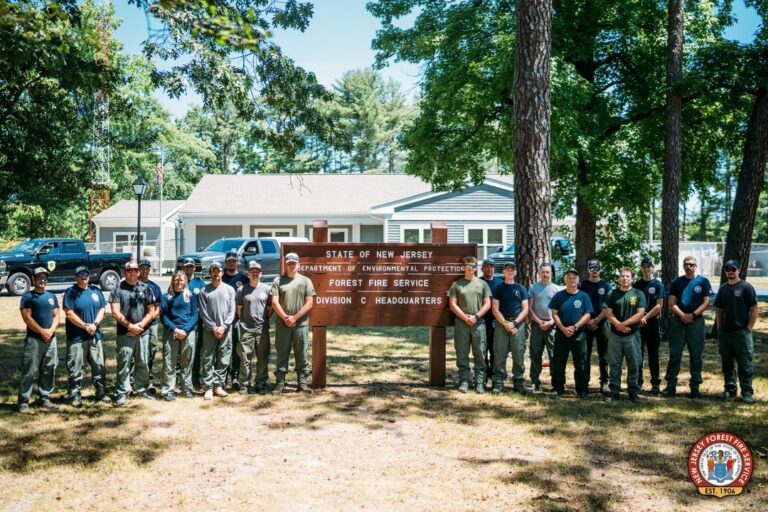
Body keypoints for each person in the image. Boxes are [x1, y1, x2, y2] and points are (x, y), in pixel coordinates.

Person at [662, 255, 712, 399]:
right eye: (686, 264)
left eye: (691, 264)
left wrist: (693, 315)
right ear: (683, 266)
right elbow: (671, 303)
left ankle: (695, 387)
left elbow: (706, 302)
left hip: (696, 322)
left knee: (696, 355)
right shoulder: (677, 282)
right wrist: (683, 315)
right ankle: (670, 386)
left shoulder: (703, 282)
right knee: (675, 354)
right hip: (679, 321)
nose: (688, 267)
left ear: (696, 266)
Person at [109, 260, 157, 406]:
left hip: (143, 332)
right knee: (124, 362)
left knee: (143, 361)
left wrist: (140, 326)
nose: (132, 273)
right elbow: (115, 313)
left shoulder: (145, 288)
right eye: (129, 271)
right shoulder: (117, 289)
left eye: (135, 271)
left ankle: (142, 389)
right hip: (125, 333)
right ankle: (122, 392)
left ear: (138, 272)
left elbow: (152, 311)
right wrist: (130, 326)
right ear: (125, 272)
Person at [62, 265, 110, 407]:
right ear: (75, 277)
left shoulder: (96, 290)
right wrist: (85, 326)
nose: (84, 277)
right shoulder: (70, 292)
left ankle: (101, 391)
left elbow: (102, 308)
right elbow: (69, 313)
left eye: (86, 274)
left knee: (99, 365)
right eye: (80, 275)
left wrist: (94, 324)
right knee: (75, 367)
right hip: (77, 337)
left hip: (94, 335)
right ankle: (74, 394)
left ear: (89, 276)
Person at [271, 252, 316, 394]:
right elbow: (274, 302)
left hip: (300, 324)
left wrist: (295, 318)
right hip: (282, 324)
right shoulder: (278, 280)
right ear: (285, 265)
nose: (291, 266)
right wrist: (286, 318)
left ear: (298, 265)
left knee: (301, 352)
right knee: (282, 353)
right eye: (289, 263)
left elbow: (309, 303)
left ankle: (302, 382)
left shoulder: (306, 281)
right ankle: (280, 382)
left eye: (294, 263)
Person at [714, 260, 758, 404]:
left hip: (742, 333)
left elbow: (754, 310)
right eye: (727, 269)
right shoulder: (723, 289)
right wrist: (719, 327)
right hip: (725, 333)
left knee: (745, 363)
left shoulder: (746, 287)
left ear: (739, 270)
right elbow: (719, 310)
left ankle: (747, 392)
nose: (730, 272)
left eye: (733, 269)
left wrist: (748, 328)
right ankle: (730, 389)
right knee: (727, 363)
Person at [17, 267, 60, 413]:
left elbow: (57, 315)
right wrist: (42, 331)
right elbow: (27, 318)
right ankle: (24, 402)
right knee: (29, 370)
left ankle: (45, 398)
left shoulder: (51, 296)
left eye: (44, 278)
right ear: (33, 279)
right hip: (34, 339)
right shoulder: (27, 297)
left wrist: (51, 331)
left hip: (51, 339)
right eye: (39, 278)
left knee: (49, 369)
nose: (42, 280)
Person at [448, 256, 492, 394]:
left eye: (473, 266)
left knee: (479, 352)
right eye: (468, 265)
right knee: (462, 352)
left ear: (476, 268)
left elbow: (487, 303)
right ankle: (464, 381)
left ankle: (479, 382)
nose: (471, 268)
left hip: (478, 323)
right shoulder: (457, 284)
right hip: (462, 323)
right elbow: (453, 304)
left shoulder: (482, 284)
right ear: (463, 267)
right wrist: (465, 317)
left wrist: (476, 316)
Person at [603, 267, 647, 403]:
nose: (625, 278)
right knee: (614, 363)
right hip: (615, 335)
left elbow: (640, 313)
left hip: (632, 334)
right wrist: (618, 325)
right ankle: (614, 391)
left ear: (632, 278)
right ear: (619, 278)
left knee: (634, 363)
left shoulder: (638, 294)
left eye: (627, 276)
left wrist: (624, 324)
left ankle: (633, 391)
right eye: (622, 276)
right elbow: (608, 313)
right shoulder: (612, 293)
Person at [548, 268, 593, 399]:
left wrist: (575, 327)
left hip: (579, 335)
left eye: (574, 278)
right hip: (561, 334)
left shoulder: (584, 296)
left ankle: (582, 390)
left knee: (581, 362)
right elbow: (554, 314)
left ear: (578, 280)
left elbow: (587, 314)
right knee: (558, 362)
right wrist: (563, 328)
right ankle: (557, 388)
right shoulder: (559, 296)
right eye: (569, 277)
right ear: (565, 280)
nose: (572, 280)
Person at [198, 261, 236, 400]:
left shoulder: (230, 290)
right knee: (208, 357)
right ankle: (208, 387)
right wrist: (214, 327)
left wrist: (224, 326)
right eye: (213, 271)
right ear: (210, 273)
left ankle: (218, 385)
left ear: (222, 272)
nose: (216, 273)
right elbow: (203, 312)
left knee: (224, 357)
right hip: (210, 330)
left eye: (218, 270)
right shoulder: (204, 291)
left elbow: (232, 311)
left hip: (226, 329)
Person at [490, 261, 529, 393]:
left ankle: (518, 382)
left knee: (518, 353)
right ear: (504, 272)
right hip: (502, 323)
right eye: (507, 269)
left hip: (517, 324)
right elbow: (495, 309)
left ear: (516, 272)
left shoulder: (521, 289)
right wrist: (506, 323)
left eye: (512, 270)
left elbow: (525, 309)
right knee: (499, 354)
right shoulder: (498, 288)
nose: (510, 272)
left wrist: (514, 323)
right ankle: (498, 382)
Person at [160, 271, 199, 401]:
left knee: (187, 361)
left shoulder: (191, 296)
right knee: (169, 361)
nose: (179, 282)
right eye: (176, 279)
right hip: (171, 331)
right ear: (172, 281)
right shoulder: (166, 297)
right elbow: (163, 317)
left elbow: (195, 316)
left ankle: (186, 388)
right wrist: (175, 329)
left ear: (185, 281)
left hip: (188, 332)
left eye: (181, 280)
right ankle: (168, 390)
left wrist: (185, 330)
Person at [236, 261, 272, 394]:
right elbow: (239, 309)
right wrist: (244, 322)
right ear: (248, 274)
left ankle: (261, 384)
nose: (254, 273)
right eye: (252, 271)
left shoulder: (267, 289)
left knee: (262, 358)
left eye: (257, 271)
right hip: (246, 329)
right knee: (245, 359)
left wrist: (263, 320)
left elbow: (270, 309)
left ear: (261, 274)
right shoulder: (241, 290)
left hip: (262, 329)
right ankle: (244, 385)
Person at [632, 257, 666, 395]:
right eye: (644, 266)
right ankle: (637, 382)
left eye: (649, 266)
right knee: (638, 354)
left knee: (653, 355)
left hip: (652, 323)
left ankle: (655, 384)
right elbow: (633, 302)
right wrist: (638, 317)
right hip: (638, 324)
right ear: (641, 268)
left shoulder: (658, 285)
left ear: (653, 268)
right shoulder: (637, 285)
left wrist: (645, 317)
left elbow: (659, 306)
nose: (646, 269)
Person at [579, 259, 612, 394]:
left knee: (604, 355)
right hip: (585, 323)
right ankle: (584, 382)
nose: (594, 271)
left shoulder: (606, 285)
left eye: (596, 268)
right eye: (592, 268)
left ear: (600, 269)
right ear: (588, 269)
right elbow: (579, 305)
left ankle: (604, 382)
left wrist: (597, 320)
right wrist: (588, 321)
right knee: (584, 355)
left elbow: (608, 307)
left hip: (602, 323)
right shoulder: (582, 285)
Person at [528, 262, 560, 391]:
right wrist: (539, 321)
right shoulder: (533, 288)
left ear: (551, 273)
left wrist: (551, 322)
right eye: (543, 272)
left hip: (552, 325)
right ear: (539, 273)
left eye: (547, 272)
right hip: (537, 325)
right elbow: (529, 308)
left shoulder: (557, 289)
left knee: (554, 354)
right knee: (535, 354)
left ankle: (556, 383)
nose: (545, 274)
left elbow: (560, 309)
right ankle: (534, 381)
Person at [222, 250, 248, 391]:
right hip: (223, 321)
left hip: (238, 320)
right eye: (229, 261)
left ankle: (236, 377)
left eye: (233, 261)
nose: (231, 263)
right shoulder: (221, 277)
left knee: (237, 349)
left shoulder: (243, 279)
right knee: (224, 350)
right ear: (225, 263)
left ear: (237, 262)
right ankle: (223, 377)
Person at [138, 258, 162, 393]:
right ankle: (133, 380)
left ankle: (149, 379)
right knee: (137, 352)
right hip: (136, 324)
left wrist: (152, 316)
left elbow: (158, 306)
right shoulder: (133, 284)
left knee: (152, 350)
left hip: (151, 324)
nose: (145, 271)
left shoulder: (154, 287)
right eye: (142, 268)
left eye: (147, 268)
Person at [183, 258, 207, 390]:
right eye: (186, 267)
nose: (188, 269)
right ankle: (181, 378)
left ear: (194, 268)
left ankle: (195, 378)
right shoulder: (179, 281)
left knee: (196, 350)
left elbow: (205, 302)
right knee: (182, 351)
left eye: (191, 267)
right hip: (182, 322)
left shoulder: (199, 283)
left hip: (197, 322)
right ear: (183, 268)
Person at [479, 258, 503, 386]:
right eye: (487, 267)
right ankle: (483, 374)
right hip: (481, 320)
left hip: (496, 321)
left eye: (491, 267)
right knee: (482, 349)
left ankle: (494, 375)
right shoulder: (478, 282)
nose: (489, 269)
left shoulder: (500, 283)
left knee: (495, 349)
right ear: (482, 269)